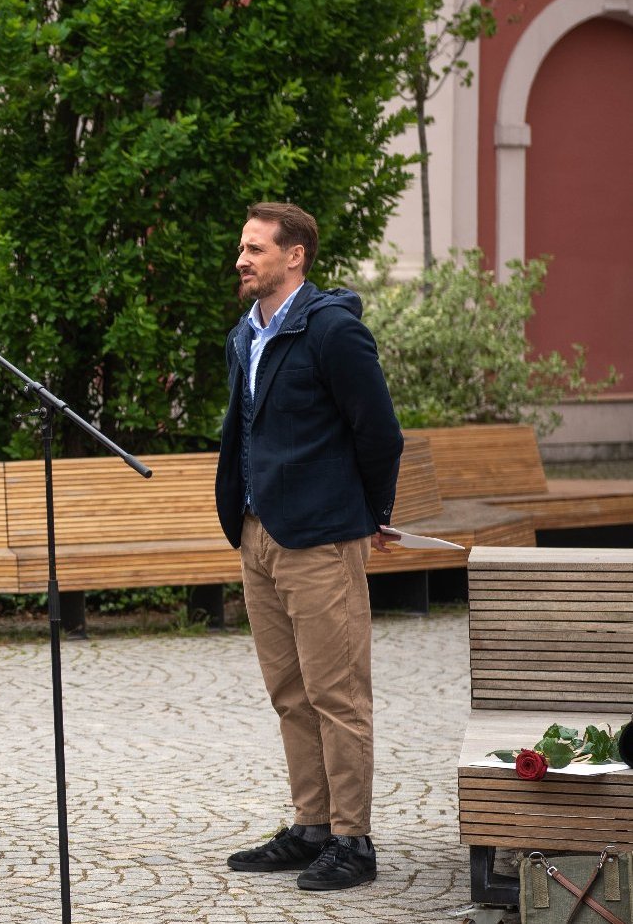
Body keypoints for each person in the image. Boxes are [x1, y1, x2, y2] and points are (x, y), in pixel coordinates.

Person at [214, 202, 403, 893]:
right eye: (243, 247)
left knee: (337, 694)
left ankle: (354, 840)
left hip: (323, 538)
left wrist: (369, 513)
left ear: (295, 256)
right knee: (291, 694)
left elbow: (380, 433)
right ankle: (312, 826)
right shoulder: (248, 334)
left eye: (257, 248)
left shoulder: (331, 330)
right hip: (260, 535)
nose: (243, 258)